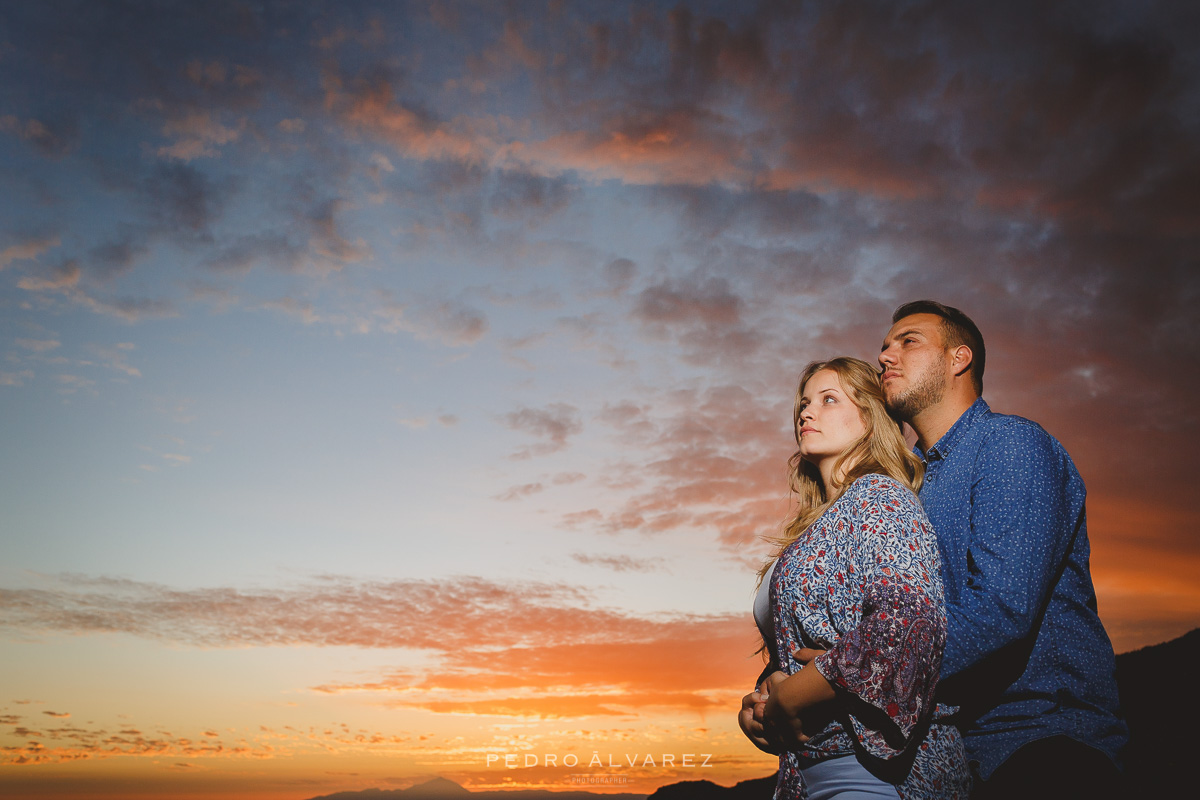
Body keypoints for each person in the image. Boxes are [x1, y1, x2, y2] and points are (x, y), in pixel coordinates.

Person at [877, 300, 1128, 798]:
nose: (886, 355)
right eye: (884, 346)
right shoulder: (900, 490)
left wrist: (843, 680)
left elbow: (1000, 610)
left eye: (908, 341)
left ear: (959, 358)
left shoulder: (1008, 445)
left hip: (1040, 743)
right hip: (939, 759)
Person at [738, 357, 970, 799]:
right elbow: (800, 651)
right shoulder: (806, 533)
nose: (806, 412)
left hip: (879, 776)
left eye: (829, 400)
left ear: (870, 419)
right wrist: (760, 703)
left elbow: (906, 627)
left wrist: (797, 694)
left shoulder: (879, 498)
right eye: (804, 404)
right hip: (804, 777)